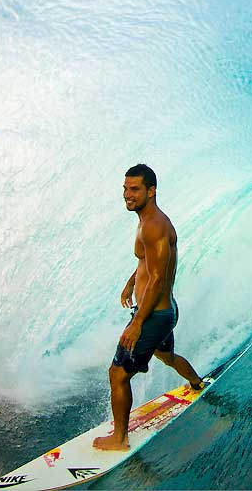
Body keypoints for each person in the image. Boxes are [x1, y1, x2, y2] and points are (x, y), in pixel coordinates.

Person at [92, 163, 204, 451]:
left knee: (118, 375)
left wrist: (137, 323)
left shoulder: (154, 226)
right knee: (166, 356)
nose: (127, 194)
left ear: (151, 191)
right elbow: (148, 263)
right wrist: (131, 283)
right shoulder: (147, 221)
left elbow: (157, 279)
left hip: (154, 315)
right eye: (125, 188)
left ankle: (119, 439)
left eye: (135, 189)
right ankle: (196, 383)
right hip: (162, 312)